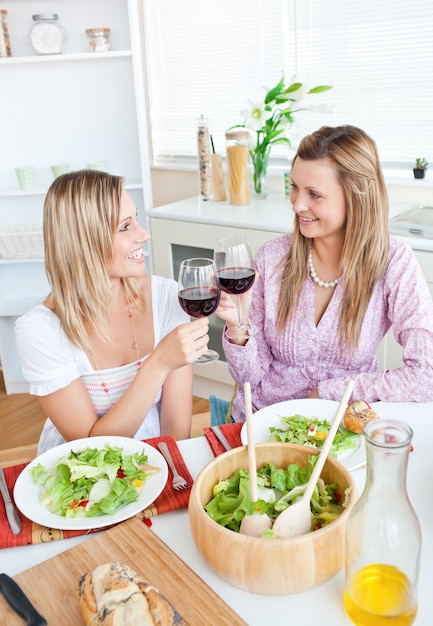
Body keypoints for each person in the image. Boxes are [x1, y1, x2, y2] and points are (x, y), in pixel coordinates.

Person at [216, 125, 433, 422]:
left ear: (356, 196)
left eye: (314, 194)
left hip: (342, 428)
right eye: (294, 187)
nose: (297, 203)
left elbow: (427, 373)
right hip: (265, 423)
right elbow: (249, 378)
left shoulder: (393, 261)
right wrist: (237, 327)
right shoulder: (271, 258)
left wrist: (330, 392)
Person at [15, 170, 210, 453]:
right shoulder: (39, 330)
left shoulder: (167, 296)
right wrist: (159, 363)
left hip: (155, 453)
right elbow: (90, 449)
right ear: (83, 241)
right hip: (83, 471)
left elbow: (175, 432)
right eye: (124, 227)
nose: (144, 234)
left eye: (136, 219)